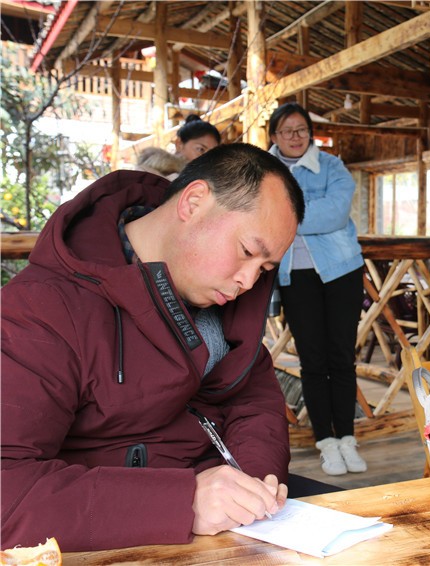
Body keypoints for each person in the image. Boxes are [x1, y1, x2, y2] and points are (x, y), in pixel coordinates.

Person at [1, 143, 306, 551]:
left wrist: (251, 483)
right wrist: (185, 503)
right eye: (247, 252)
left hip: (231, 520)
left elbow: (254, 403)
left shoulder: (224, 302)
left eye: (264, 269)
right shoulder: (42, 309)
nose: (248, 282)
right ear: (193, 202)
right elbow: (7, 489)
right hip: (114, 532)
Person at [268, 102, 366, 477]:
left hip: (341, 270)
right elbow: (261, 215)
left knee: (341, 357)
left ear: (311, 133)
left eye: (302, 130)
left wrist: (287, 215)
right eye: (287, 131)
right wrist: (310, 212)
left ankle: (347, 438)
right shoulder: (264, 171)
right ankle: (326, 442)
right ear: (274, 136)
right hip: (295, 276)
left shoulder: (332, 166)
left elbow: (336, 213)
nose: (295, 137)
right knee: (312, 361)